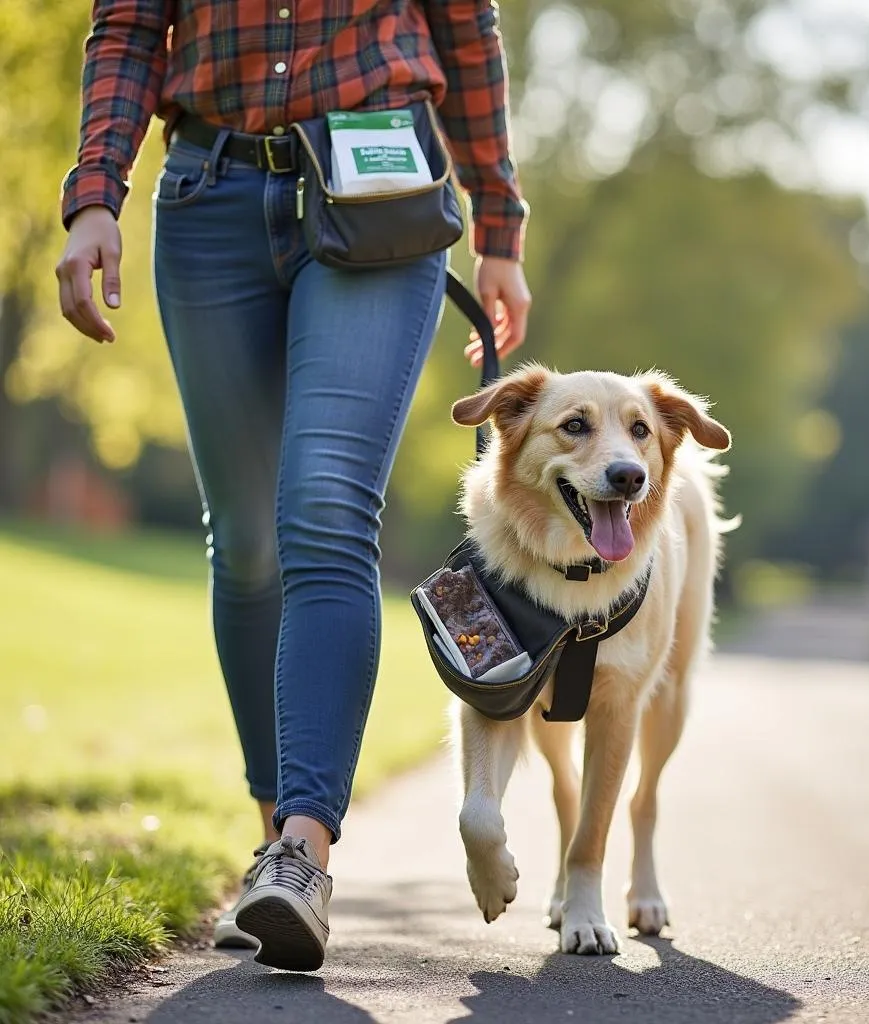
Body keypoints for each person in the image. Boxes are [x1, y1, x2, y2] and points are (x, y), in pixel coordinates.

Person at [55, 0, 530, 973]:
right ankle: (277, 836)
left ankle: (305, 847)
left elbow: (464, 27)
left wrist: (498, 224)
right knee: (248, 539)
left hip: (379, 181)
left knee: (323, 506)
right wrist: (95, 192)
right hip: (208, 193)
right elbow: (131, 25)